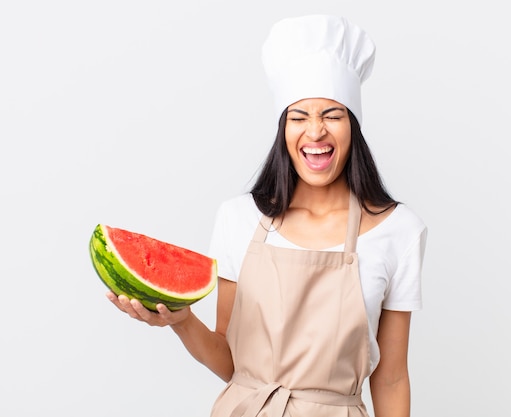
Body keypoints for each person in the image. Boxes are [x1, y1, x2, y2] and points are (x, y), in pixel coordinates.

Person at [106, 14, 427, 417]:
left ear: (353, 126)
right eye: (298, 117)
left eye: (332, 115)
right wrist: (182, 321)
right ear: (283, 130)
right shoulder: (237, 218)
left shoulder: (399, 231)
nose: (315, 132)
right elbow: (230, 363)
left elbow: (392, 378)